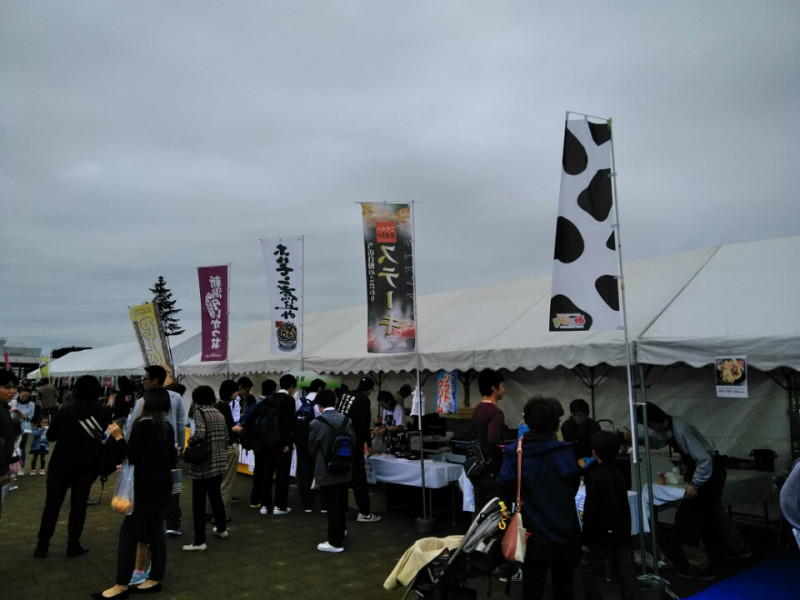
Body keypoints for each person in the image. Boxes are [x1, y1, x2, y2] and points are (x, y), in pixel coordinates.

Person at [628, 402, 750, 580]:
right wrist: (636, 439)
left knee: (686, 518)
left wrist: (695, 483)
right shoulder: (668, 426)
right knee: (713, 511)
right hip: (707, 471)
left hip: (709, 473)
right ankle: (737, 549)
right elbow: (656, 442)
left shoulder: (681, 429)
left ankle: (700, 567)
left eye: (649, 426)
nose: (650, 429)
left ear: (654, 422)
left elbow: (705, 460)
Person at [92, 388, 176, 599]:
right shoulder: (166, 426)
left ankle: (121, 585)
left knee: (128, 534)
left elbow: (133, 455)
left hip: (145, 487)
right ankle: (155, 579)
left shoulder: (143, 425)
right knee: (156, 532)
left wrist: (118, 437)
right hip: (163, 485)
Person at [497, 396, 581, 600]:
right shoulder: (566, 452)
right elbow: (573, 486)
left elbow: (504, 488)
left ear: (528, 422)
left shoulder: (515, 453)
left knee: (532, 589)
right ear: (555, 425)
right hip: (565, 532)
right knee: (565, 589)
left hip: (532, 534)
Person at [34, 375, 110, 558]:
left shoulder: (65, 411)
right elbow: (103, 437)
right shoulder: (103, 413)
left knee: (52, 505)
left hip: (61, 463)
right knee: (79, 505)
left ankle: (42, 546)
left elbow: (51, 436)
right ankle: (73, 545)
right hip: (87, 465)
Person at [580, 431, 643, 600]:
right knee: (624, 570)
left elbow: (591, 510)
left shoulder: (595, 476)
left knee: (588, 570)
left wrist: (585, 538)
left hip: (600, 534)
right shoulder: (619, 474)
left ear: (594, 453)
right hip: (621, 531)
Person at [241, 374, 296, 515]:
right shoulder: (289, 400)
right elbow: (288, 423)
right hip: (281, 444)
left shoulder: (270, 398)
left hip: (266, 443)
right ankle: (279, 506)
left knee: (267, 473)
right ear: (291, 387)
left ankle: (265, 505)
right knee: (282, 475)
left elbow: (253, 415)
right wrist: (287, 443)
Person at [183, 385, 229, 552]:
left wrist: (190, 441)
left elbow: (200, 434)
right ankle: (222, 529)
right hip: (219, 461)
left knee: (199, 502)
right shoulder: (218, 412)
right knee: (216, 497)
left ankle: (199, 541)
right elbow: (226, 437)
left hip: (204, 463)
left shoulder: (199, 412)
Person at [309, 389, 354, 552]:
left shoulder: (316, 423)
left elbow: (311, 447)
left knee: (332, 505)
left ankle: (335, 542)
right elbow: (354, 442)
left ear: (319, 406)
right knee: (342, 503)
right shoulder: (346, 420)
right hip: (345, 468)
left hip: (327, 470)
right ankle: (341, 530)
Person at [336, 377, 381, 523]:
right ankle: (364, 512)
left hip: (338, 441)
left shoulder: (345, 395)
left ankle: (341, 510)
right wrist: (369, 444)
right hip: (354, 442)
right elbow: (364, 425)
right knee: (358, 478)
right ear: (368, 390)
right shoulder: (363, 400)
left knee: (341, 476)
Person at [471, 368, 507, 513]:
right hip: (491, 470)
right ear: (494, 388)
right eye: (502, 385)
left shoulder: (477, 409)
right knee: (496, 511)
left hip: (477, 467)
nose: (504, 389)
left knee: (480, 510)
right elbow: (492, 439)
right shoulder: (495, 413)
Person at [295, 378, 326, 513]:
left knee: (304, 472)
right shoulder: (320, 403)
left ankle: (307, 505)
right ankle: (324, 505)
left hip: (301, 441)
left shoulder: (299, 402)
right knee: (321, 470)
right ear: (319, 388)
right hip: (317, 442)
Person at [214, 380, 239, 521]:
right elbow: (229, 428)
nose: (237, 393)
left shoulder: (217, 406)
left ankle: (214, 512)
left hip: (218, 447)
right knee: (227, 482)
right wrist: (236, 429)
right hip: (229, 446)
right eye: (235, 391)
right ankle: (222, 514)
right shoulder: (224, 408)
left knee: (218, 481)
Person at [0, 370, 19, 518]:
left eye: (14, 387)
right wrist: (2, 471)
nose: (12, 391)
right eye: (7, 387)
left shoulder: (5, 407)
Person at [372, 390, 407, 455]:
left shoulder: (398, 409)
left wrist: (385, 430)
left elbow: (399, 426)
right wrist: (378, 429)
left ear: (389, 401)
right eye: (381, 405)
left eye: (383, 405)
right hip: (389, 440)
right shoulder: (385, 410)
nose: (382, 407)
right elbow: (385, 424)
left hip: (399, 440)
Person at [10, 386, 35, 474]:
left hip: (24, 428)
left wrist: (24, 416)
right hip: (13, 427)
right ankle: (11, 467)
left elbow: (31, 417)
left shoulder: (31, 404)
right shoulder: (14, 402)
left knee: (22, 448)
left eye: (26, 396)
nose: (24, 398)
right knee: (12, 447)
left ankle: (21, 467)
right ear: (19, 394)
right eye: (22, 395)